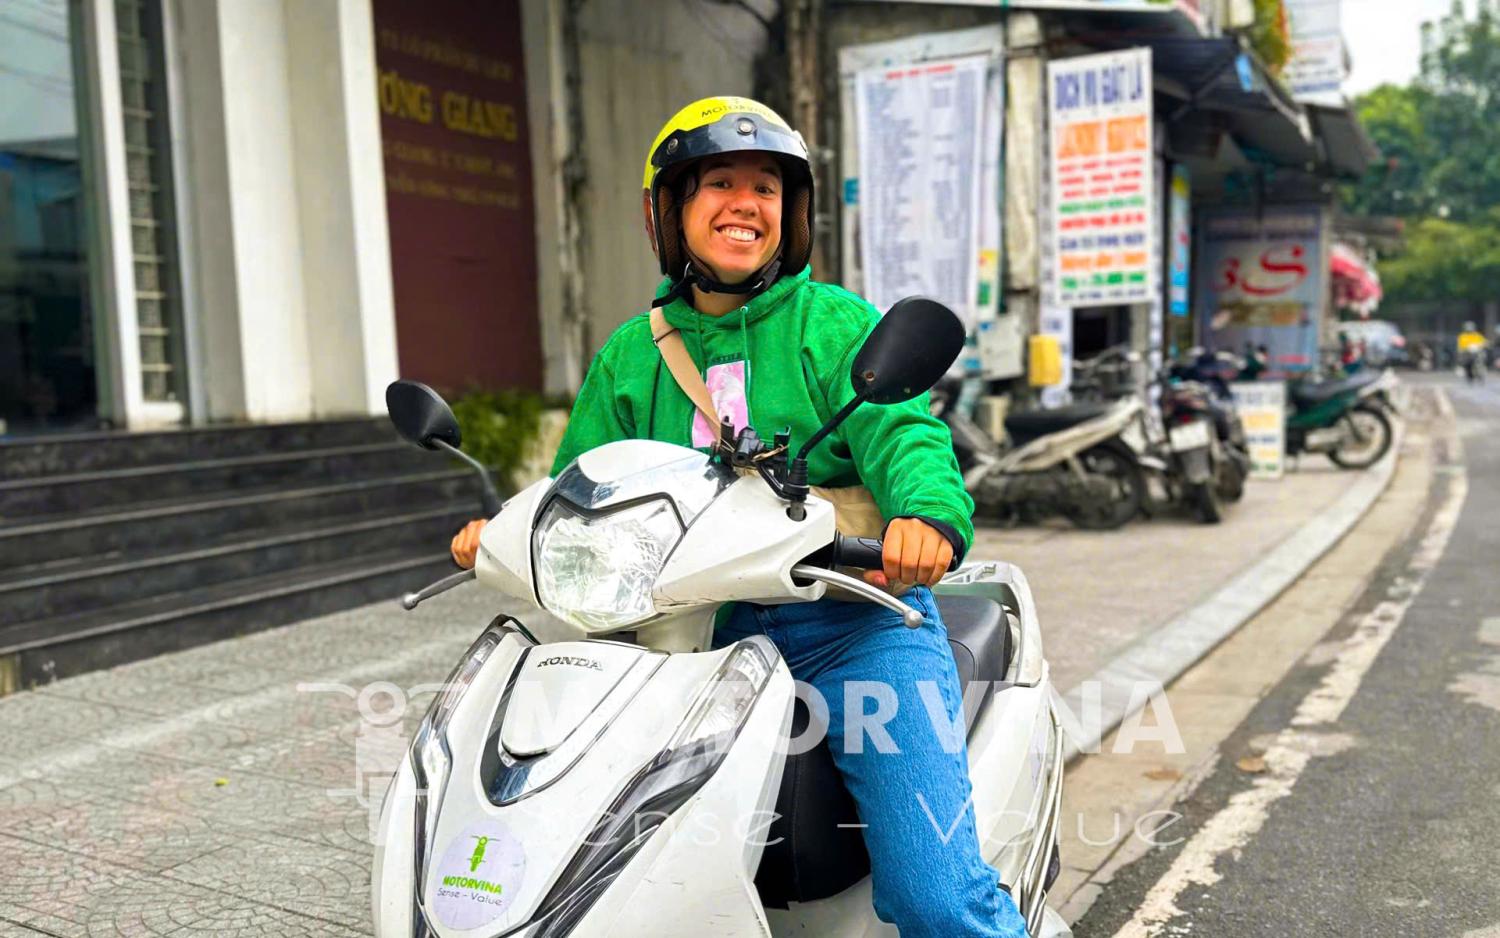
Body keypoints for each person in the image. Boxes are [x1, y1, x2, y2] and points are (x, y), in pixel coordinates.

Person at [450, 97, 1024, 936]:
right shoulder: (630, 355)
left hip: (851, 623)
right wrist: (505, 527)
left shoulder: (833, 326)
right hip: (677, 638)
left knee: (934, 894)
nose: (745, 204)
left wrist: (927, 518)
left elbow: (904, 432)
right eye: (719, 182)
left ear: (791, 216)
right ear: (670, 209)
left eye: (766, 188)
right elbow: (577, 481)